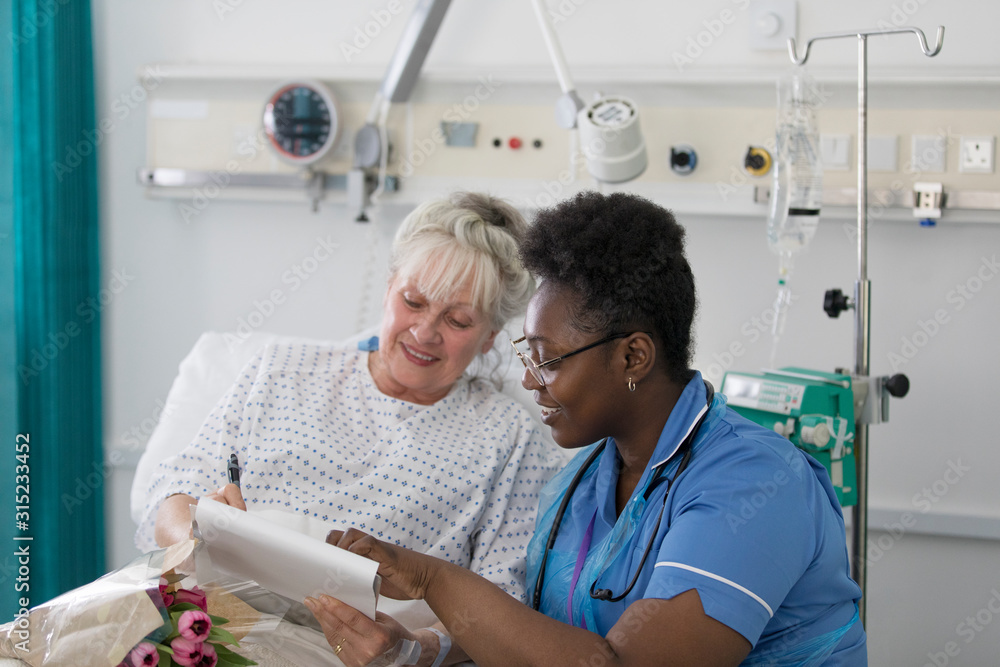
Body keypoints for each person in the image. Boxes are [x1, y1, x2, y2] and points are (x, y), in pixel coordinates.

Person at [312, 191, 867, 666]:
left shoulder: (758, 485)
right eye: (526, 356)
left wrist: (432, 578)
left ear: (633, 358)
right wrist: (415, 650)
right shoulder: (577, 485)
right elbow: (532, 637)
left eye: (548, 359)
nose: (530, 383)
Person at [136, 192, 567, 666]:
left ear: (489, 337)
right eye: (413, 301)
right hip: (213, 616)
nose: (425, 332)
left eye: (457, 320)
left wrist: (416, 649)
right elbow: (170, 490)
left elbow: (503, 603)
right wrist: (199, 533)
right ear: (388, 289)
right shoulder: (282, 370)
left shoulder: (508, 438)